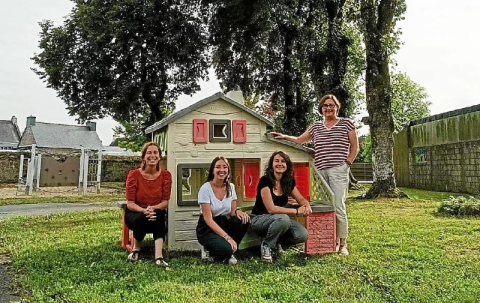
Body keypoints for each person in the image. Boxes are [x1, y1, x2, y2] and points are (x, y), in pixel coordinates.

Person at [270, 94, 359, 256]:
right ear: (321, 109)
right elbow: (299, 140)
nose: (328, 108)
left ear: (337, 107)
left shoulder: (346, 123)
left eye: (331, 105)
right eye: (325, 106)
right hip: (320, 170)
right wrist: (284, 137)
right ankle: (326, 239)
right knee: (322, 204)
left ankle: (343, 244)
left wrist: (347, 164)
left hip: (338, 169)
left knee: (338, 205)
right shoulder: (316, 127)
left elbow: (355, 147)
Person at [251, 151, 312, 262]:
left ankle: (276, 244)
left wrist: (307, 206)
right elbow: (271, 209)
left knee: (302, 234)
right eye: (276, 161)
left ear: (287, 165)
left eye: (283, 161)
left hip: (279, 220)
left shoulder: (288, 181)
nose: (280, 163)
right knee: (283, 218)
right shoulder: (265, 181)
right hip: (259, 219)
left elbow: (301, 199)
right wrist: (296, 211)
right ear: (271, 164)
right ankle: (267, 247)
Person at [196, 157, 250, 265]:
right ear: (212, 170)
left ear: (228, 171)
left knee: (244, 220)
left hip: (223, 222)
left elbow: (232, 212)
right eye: (218, 167)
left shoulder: (231, 187)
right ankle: (212, 249)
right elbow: (208, 219)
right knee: (226, 249)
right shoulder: (205, 189)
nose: (222, 170)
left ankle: (231, 250)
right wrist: (228, 238)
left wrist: (238, 212)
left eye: (225, 167)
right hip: (207, 227)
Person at [125, 142, 172, 266]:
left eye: (155, 152)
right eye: (149, 153)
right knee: (143, 217)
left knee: (160, 214)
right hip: (135, 213)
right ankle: (136, 249)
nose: (152, 156)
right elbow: (130, 203)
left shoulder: (166, 175)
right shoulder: (133, 175)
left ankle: (159, 257)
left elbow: (165, 202)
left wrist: (152, 208)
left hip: (156, 212)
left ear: (160, 156)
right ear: (143, 157)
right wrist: (144, 210)